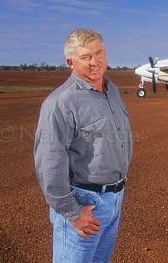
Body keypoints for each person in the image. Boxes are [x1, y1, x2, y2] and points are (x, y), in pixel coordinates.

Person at [34, 29, 133, 263]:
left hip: (114, 198)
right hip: (84, 202)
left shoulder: (112, 90)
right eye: (85, 57)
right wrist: (73, 213)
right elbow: (49, 164)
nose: (95, 61)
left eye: (99, 53)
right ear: (71, 62)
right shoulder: (60, 103)